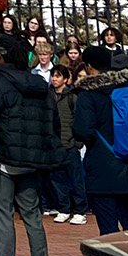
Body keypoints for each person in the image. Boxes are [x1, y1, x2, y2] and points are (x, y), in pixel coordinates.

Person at [0, 37, 60, 256]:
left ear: (0, 56)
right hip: (30, 162)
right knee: (33, 216)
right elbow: (54, 123)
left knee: (1, 218)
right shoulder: (39, 84)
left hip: (0, 159)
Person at [70, 46, 128, 234]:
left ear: (89, 66)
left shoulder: (89, 95)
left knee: (109, 234)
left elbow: (82, 131)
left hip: (104, 173)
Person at [47, 65, 86, 224]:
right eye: (53, 76)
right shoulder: (47, 96)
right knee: (57, 179)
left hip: (69, 145)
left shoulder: (72, 97)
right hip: (53, 145)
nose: (54, 79)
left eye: (58, 76)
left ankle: (80, 210)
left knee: (76, 179)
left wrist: (77, 142)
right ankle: (64, 209)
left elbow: (78, 120)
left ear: (65, 79)